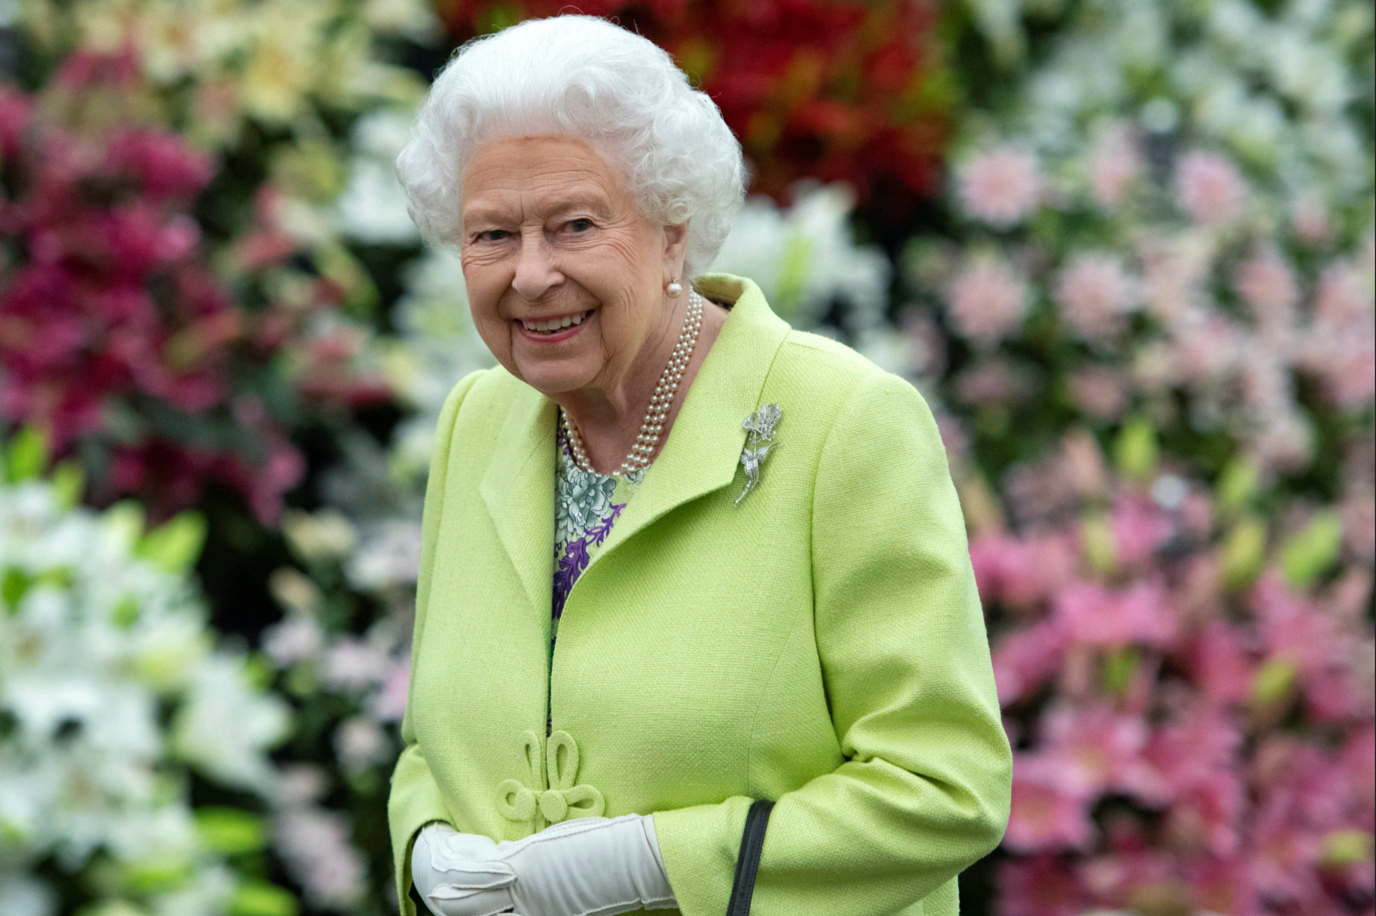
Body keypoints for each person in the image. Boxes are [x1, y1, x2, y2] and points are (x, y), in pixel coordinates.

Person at [389, 14, 1011, 916]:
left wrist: (654, 863)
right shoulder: (477, 420)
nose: (528, 276)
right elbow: (430, 748)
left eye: (573, 225)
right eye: (490, 236)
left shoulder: (845, 424)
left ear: (673, 229)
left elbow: (945, 789)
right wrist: (425, 849)